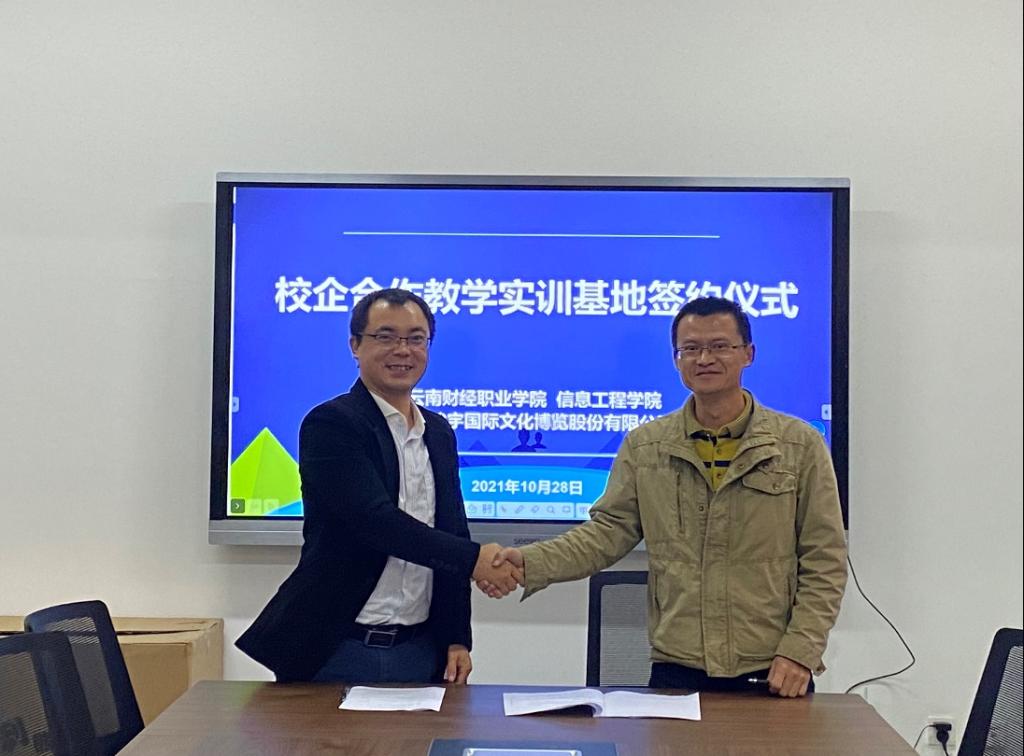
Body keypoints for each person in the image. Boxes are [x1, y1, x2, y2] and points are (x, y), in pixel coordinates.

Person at [483, 296, 847, 697]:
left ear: (748, 353)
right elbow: (606, 534)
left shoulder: (798, 445)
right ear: (677, 359)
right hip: (677, 668)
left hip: (774, 670)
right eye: (690, 348)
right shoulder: (646, 447)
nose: (704, 358)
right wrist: (528, 562)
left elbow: (825, 558)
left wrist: (800, 651)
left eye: (720, 346)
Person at [237, 288, 519, 684]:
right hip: (337, 647)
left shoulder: (438, 432)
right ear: (355, 345)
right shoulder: (332, 424)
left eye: (416, 338)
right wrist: (476, 560)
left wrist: (457, 637)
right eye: (385, 336)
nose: (403, 350)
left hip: (422, 649)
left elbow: (452, 530)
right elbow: (375, 522)